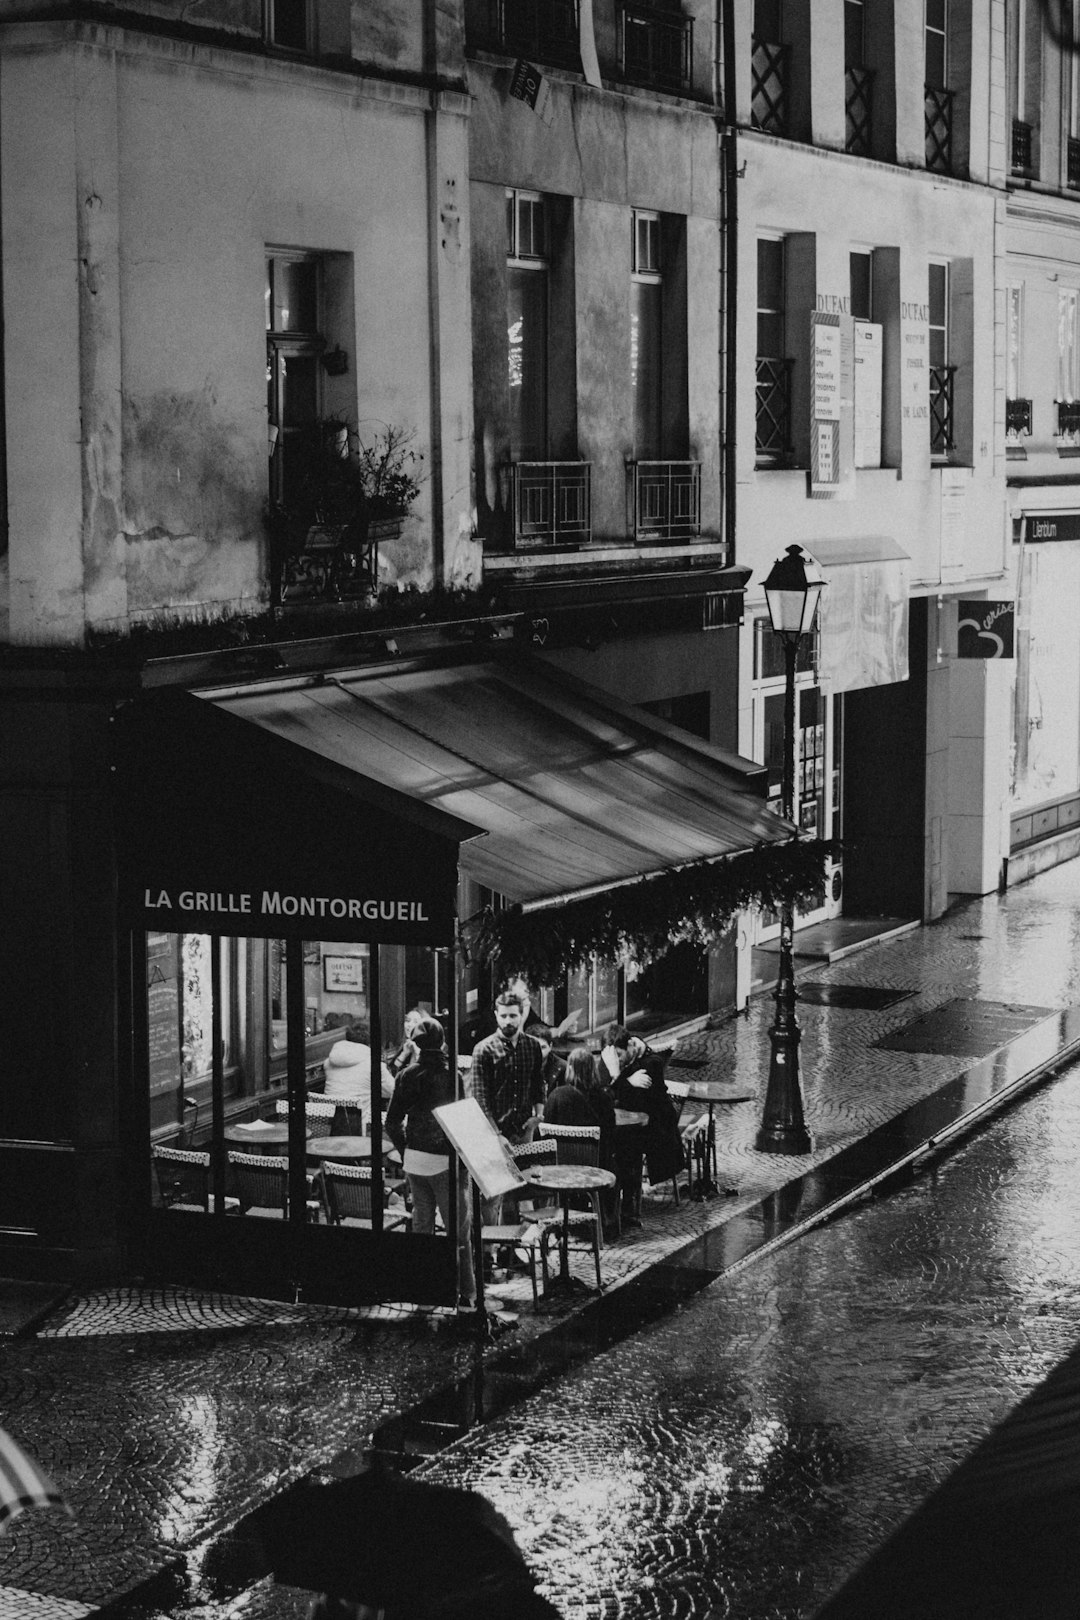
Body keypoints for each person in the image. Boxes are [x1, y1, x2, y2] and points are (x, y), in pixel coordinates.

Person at [384, 1014, 475, 1307]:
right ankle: (466, 1293)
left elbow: (392, 1122)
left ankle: (425, 1294)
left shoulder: (406, 1075)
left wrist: (406, 1148)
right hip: (444, 1163)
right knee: (457, 1231)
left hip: (414, 1163)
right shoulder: (453, 1077)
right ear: (443, 1042)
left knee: (422, 1228)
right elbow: (461, 1122)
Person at [467, 989, 545, 1234]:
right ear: (496, 1016)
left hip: (522, 1128)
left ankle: (514, 1246)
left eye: (513, 1016)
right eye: (504, 1016)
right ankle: (491, 1248)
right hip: (493, 1133)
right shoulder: (484, 1050)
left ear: (521, 1016)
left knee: (520, 1190)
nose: (508, 1021)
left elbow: (537, 1082)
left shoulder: (532, 1046)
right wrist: (495, 1135)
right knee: (492, 1195)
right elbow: (479, 1099)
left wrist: (537, 1116)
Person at [543, 1045, 619, 1240]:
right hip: (596, 1167)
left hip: (561, 1168)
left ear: (569, 1068)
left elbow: (546, 1129)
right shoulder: (603, 1098)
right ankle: (611, 1222)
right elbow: (610, 1133)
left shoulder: (557, 1096)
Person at [602, 1023, 666, 1229]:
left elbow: (637, 1102)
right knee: (615, 1146)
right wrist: (625, 1081)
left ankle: (629, 1207)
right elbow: (606, 1096)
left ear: (630, 1046)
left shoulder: (651, 1063)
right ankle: (614, 1204)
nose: (617, 1061)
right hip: (623, 1127)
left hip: (651, 1128)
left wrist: (617, 1078)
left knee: (628, 1150)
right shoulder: (613, 1061)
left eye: (620, 1055)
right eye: (614, 1058)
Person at [322, 1021, 396, 1131]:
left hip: (327, 1129)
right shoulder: (374, 1066)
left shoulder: (328, 1063)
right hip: (360, 1130)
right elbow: (393, 1092)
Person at [530, 1021, 568, 1096]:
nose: (539, 1052)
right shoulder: (518, 1065)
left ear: (550, 1046)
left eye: (543, 1047)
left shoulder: (563, 1068)